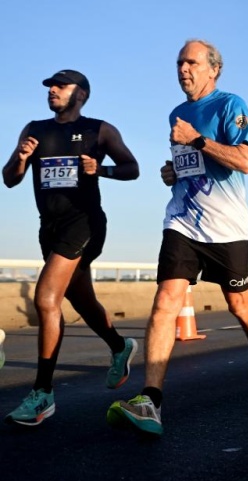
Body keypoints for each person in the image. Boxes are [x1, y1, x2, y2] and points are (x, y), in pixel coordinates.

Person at [107, 39, 248, 437]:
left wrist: (197, 140)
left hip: (227, 228)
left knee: (240, 306)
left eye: (191, 62)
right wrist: (174, 171)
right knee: (166, 300)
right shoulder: (177, 114)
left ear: (213, 69)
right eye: (179, 63)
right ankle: (151, 400)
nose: (183, 69)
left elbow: (245, 161)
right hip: (183, 221)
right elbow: (192, 164)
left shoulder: (230, 105)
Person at [2, 69, 140, 426]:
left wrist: (101, 170)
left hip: (86, 223)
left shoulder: (100, 130)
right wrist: (20, 157)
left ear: (81, 93)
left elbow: (131, 168)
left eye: (60, 86)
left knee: (47, 298)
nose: (52, 91)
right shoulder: (34, 129)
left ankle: (42, 393)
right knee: (80, 299)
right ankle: (118, 345)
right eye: (50, 87)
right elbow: (9, 179)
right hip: (49, 228)